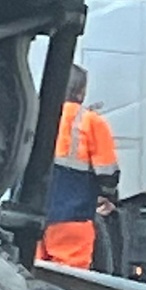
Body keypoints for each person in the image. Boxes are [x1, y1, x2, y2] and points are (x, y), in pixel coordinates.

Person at [40, 65, 118, 270]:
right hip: (72, 216)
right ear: (81, 91)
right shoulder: (91, 122)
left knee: (31, 275)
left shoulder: (37, 115)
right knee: (68, 279)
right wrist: (108, 197)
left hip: (32, 215)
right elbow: (107, 172)